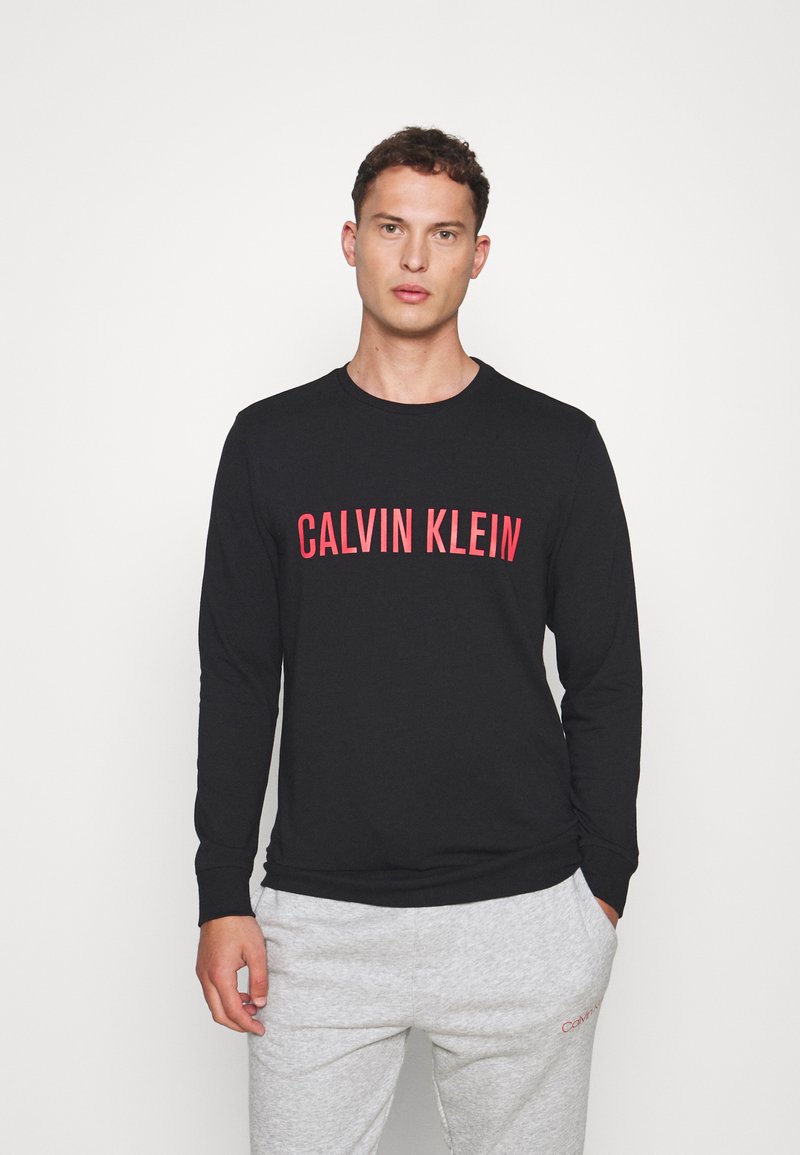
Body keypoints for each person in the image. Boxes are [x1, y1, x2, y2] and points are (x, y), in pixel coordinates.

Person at [193, 125, 643, 1155]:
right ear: (349, 240)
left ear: (477, 255)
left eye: (443, 234)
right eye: (390, 227)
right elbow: (239, 676)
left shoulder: (555, 446)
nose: (413, 256)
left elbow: (605, 677)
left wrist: (601, 889)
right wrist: (222, 894)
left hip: (524, 911)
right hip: (320, 921)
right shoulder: (271, 443)